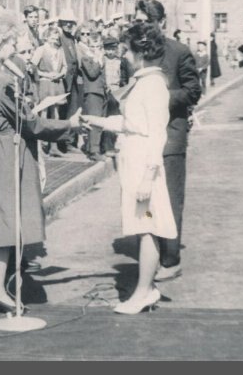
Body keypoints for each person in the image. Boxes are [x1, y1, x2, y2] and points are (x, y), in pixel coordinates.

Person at [0, 11, 80, 312]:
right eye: (12, 42)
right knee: (4, 221)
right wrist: (69, 126)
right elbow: (30, 124)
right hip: (4, 150)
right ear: (0, 43)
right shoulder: (2, 81)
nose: (15, 48)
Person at [81, 22, 175, 314]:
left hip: (144, 166)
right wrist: (96, 121)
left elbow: (157, 134)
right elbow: (132, 123)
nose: (124, 55)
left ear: (141, 52)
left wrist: (148, 176)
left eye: (127, 50)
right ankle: (146, 288)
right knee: (140, 226)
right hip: (134, 163)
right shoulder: (143, 82)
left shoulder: (154, 85)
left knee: (146, 226)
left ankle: (144, 292)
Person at [133, 0, 200, 283]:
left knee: (170, 199)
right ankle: (150, 255)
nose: (141, 26)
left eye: (146, 21)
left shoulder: (179, 51)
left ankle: (171, 260)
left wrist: (160, 99)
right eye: (137, 21)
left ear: (161, 22)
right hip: (141, 138)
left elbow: (193, 90)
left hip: (170, 136)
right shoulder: (137, 51)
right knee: (143, 199)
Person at [30, 26, 67, 156]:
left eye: (56, 36)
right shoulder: (41, 49)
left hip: (57, 84)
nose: (55, 39)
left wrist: (60, 74)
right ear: (46, 37)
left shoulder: (60, 50)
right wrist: (46, 74)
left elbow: (65, 67)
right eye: (52, 36)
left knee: (56, 115)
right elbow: (33, 67)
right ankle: (40, 146)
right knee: (44, 114)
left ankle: (54, 146)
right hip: (45, 84)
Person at [77, 25, 106, 160]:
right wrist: (97, 61)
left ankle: (91, 147)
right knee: (95, 122)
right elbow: (92, 73)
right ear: (88, 46)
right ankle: (94, 151)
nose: (95, 49)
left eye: (98, 46)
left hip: (101, 91)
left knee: (99, 120)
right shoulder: (86, 58)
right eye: (92, 46)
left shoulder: (100, 58)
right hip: (92, 92)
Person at [56, 9, 81, 149]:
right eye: (65, 22)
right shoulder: (59, 38)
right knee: (61, 111)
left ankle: (69, 141)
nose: (68, 25)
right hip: (63, 79)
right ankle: (60, 143)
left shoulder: (72, 38)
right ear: (61, 23)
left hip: (73, 79)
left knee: (72, 110)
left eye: (71, 22)